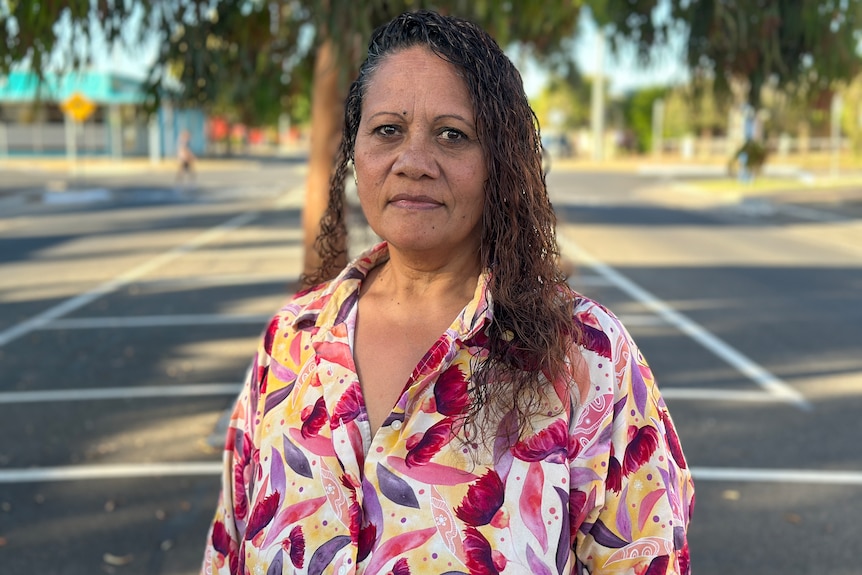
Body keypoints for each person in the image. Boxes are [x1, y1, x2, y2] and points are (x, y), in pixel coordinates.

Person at [200, 10, 694, 575]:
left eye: (452, 135)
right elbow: (229, 550)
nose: (413, 162)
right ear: (355, 150)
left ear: (499, 164)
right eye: (388, 130)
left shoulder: (587, 358)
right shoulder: (291, 341)